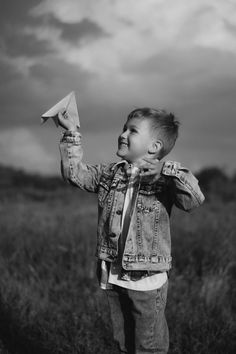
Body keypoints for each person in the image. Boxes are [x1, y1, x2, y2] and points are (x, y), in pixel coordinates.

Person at [58, 107, 205, 354]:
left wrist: (167, 171)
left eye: (132, 130)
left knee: (148, 345)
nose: (123, 134)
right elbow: (75, 174)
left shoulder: (164, 180)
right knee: (123, 342)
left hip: (146, 277)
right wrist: (72, 132)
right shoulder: (110, 174)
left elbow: (194, 199)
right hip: (113, 273)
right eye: (124, 128)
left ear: (154, 146)